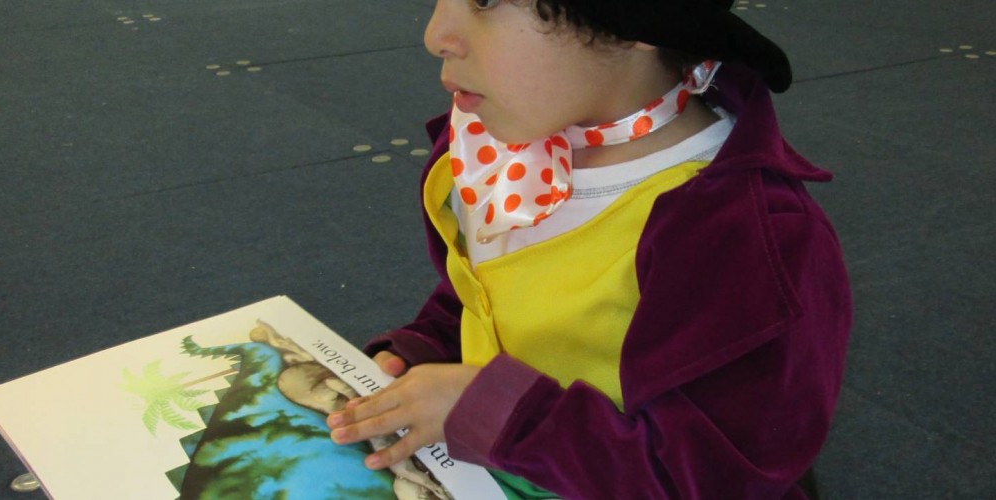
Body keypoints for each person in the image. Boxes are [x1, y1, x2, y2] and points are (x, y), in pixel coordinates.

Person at [328, 0, 852, 498]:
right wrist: (426, 349)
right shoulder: (501, 149)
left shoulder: (741, 236)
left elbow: (714, 479)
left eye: (486, 2)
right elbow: (489, 292)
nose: (435, 36)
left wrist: (494, 411)